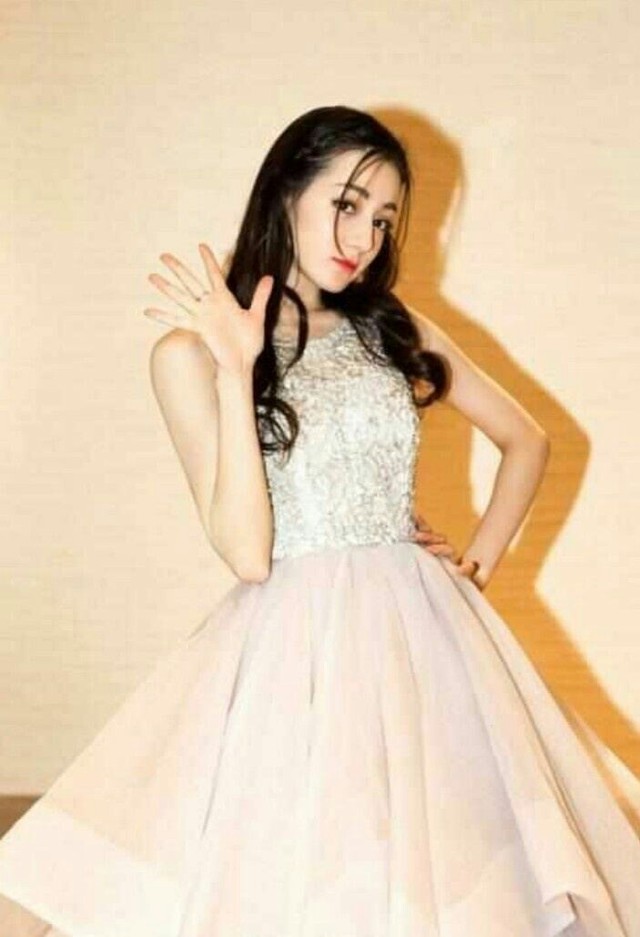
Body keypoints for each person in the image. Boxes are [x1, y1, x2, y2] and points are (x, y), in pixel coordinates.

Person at [0, 105, 639, 937]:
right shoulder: (187, 355)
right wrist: (237, 367)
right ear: (286, 189)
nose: (364, 238)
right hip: (289, 655)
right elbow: (246, 553)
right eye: (346, 204)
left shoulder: (392, 327)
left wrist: (473, 567)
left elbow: (529, 441)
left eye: (383, 219)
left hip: (427, 644)